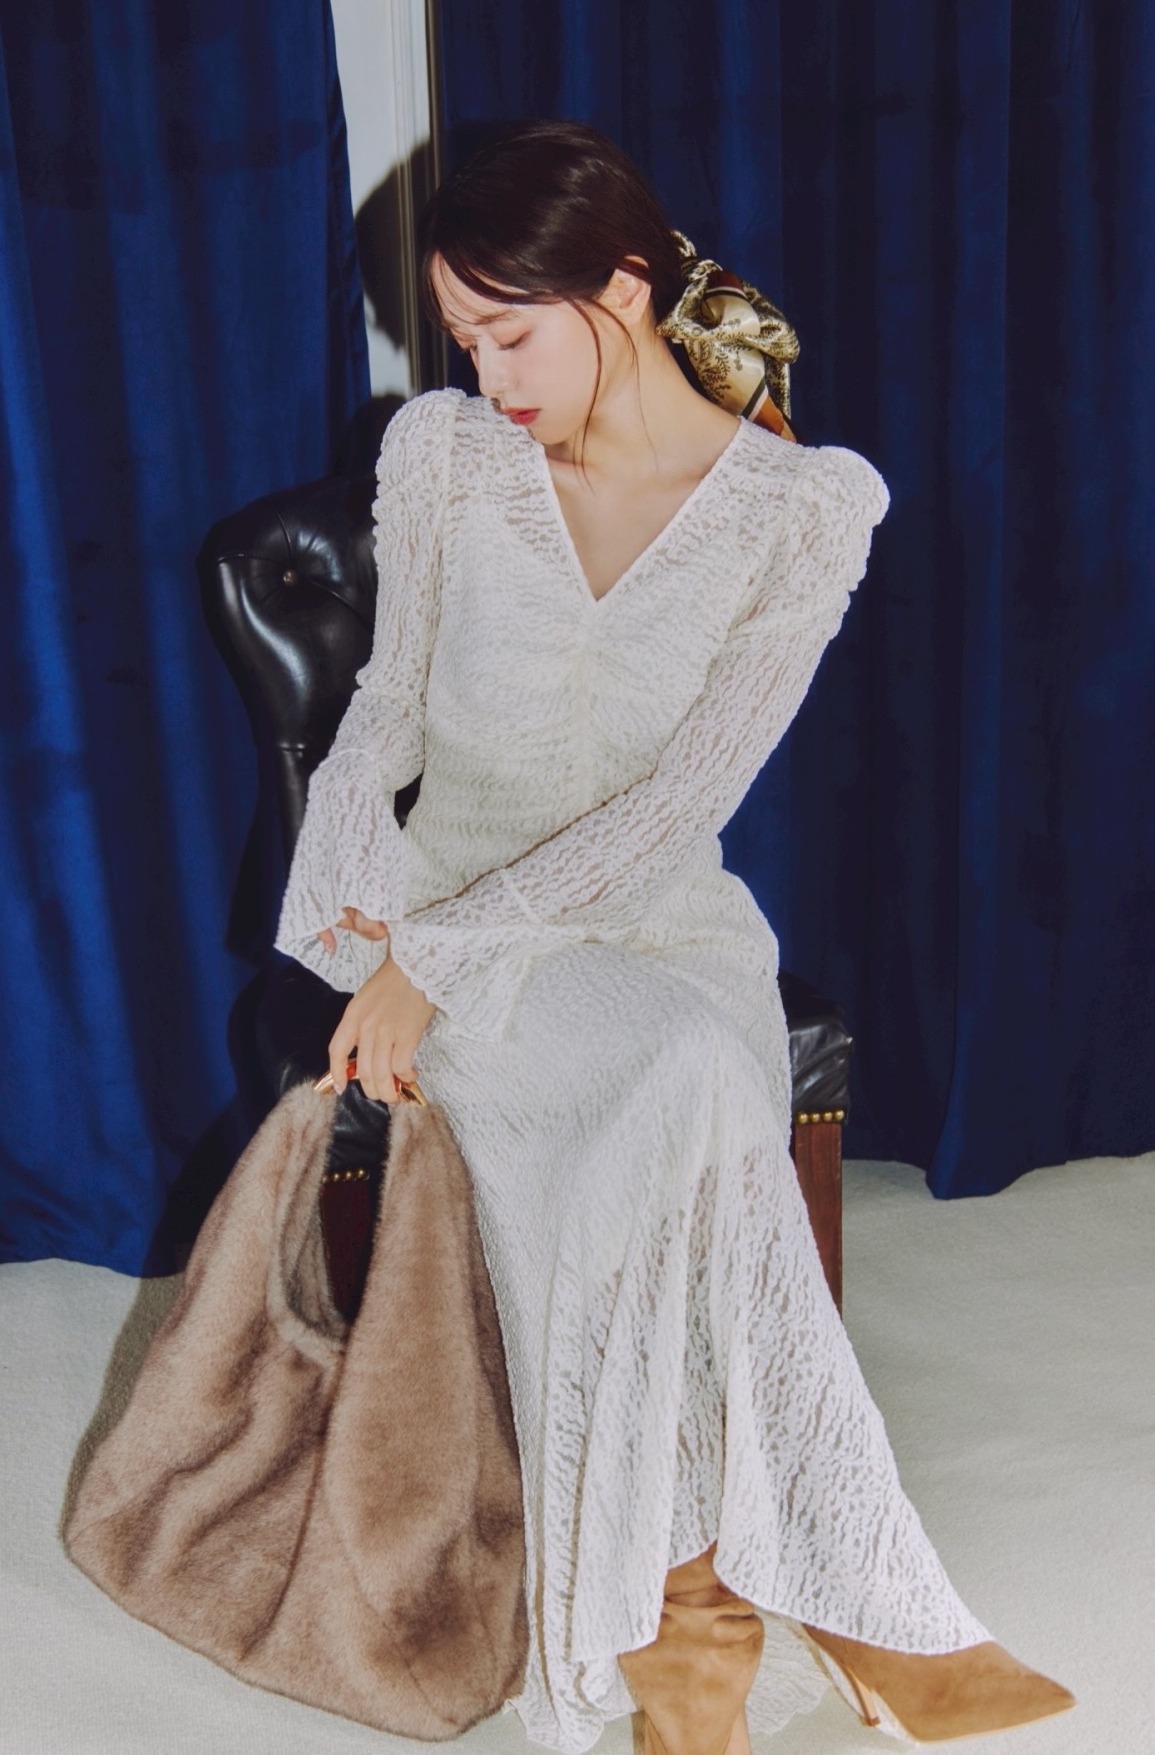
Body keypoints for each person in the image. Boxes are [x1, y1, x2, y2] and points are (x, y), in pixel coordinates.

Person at [273, 121, 1075, 1755]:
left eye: (510, 334)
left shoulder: (800, 511)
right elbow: (383, 710)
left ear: (622, 289)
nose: (483, 374)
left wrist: (444, 962)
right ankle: (774, 1605)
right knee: (681, 1095)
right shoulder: (444, 458)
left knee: (689, 1071)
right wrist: (362, 905)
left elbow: (676, 804)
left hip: (653, 921)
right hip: (443, 908)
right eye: (460, 338)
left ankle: (691, 1611)